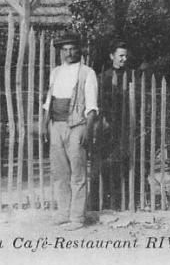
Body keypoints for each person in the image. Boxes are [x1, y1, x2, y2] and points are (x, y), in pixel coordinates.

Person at [40, 31, 98, 230]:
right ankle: (63, 213)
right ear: (60, 52)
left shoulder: (87, 73)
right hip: (56, 125)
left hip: (77, 126)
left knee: (78, 173)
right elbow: (49, 101)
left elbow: (91, 106)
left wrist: (86, 130)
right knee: (60, 172)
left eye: (73, 48)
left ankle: (77, 218)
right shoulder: (55, 72)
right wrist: (45, 125)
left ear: (79, 50)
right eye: (65, 49)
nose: (69, 53)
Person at [93, 40, 130, 210]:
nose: (124, 59)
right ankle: (102, 200)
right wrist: (104, 119)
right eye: (121, 55)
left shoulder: (131, 77)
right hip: (107, 126)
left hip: (126, 125)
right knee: (106, 163)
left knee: (126, 163)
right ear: (112, 56)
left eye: (125, 56)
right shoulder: (103, 78)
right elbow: (98, 101)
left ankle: (123, 200)